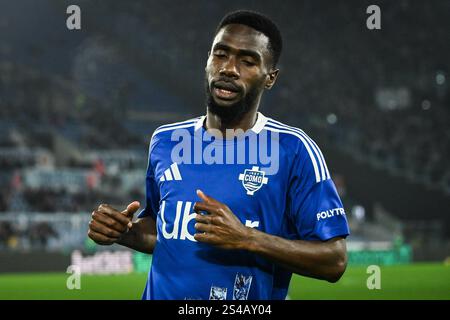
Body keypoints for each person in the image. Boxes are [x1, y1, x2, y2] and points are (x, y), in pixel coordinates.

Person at [88, 10, 350, 300]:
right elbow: (164, 232)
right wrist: (125, 232)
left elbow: (334, 261)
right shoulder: (166, 141)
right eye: (221, 54)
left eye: (247, 61)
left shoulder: (293, 149)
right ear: (208, 60)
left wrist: (247, 238)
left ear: (270, 78)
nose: (229, 68)